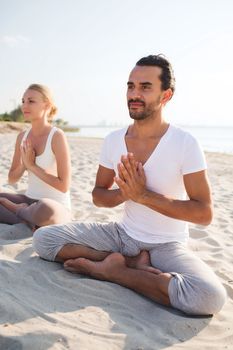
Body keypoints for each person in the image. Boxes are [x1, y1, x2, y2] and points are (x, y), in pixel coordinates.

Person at [33, 55, 226, 315]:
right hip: (123, 236)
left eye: (145, 87)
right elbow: (99, 196)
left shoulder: (185, 143)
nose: (134, 94)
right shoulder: (114, 140)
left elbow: (204, 213)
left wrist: (144, 196)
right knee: (43, 240)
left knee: (210, 297)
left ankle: (116, 272)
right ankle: (133, 263)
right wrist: (124, 194)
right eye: (130, 86)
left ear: (166, 95)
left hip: (167, 246)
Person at [0, 84, 71, 228]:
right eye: (23, 101)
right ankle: (28, 218)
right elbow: (12, 178)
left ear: (47, 105)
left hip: (54, 205)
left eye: (31, 101)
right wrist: (24, 165)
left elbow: (64, 186)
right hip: (29, 199)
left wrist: (32, 166)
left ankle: (21, 212)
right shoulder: (22, 137)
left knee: (46, 210)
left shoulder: (56, 136)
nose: (25, 105)